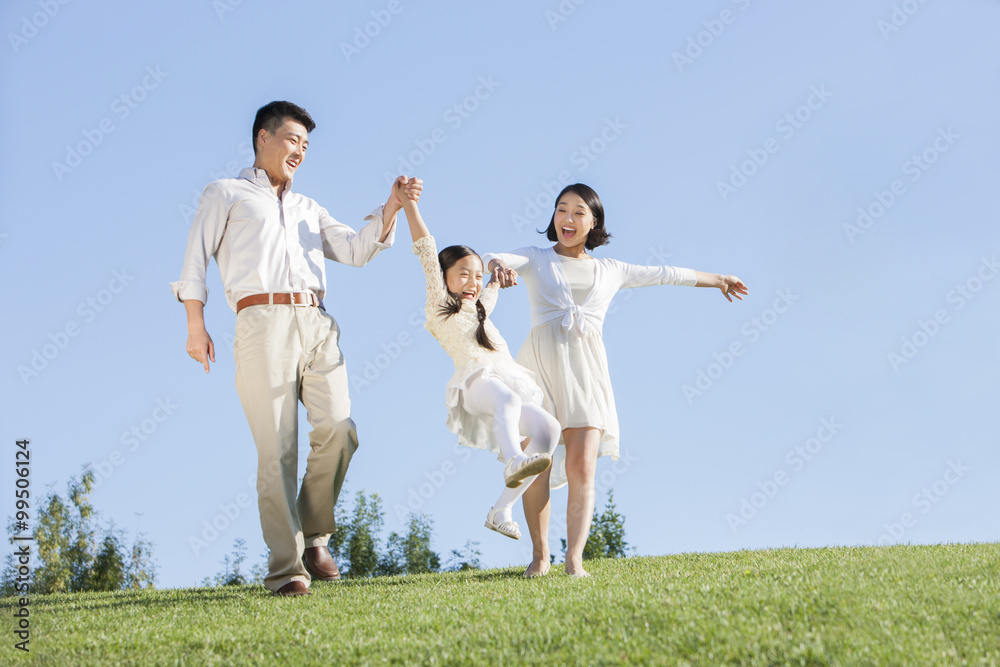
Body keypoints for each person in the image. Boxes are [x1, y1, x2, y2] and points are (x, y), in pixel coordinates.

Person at [170, 101, 421, 596]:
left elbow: (353, 249)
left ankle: (314, 535)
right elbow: (194, 260)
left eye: (306, 145)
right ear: (262, 138)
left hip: (317, 321)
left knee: (340, 430)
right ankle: (287, 570)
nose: (300, 151)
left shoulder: (309, 208)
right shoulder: (226, 193)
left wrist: (390, 207)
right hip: (261, 322)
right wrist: (194, 325)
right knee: (277, 449)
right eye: (291, 140)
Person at [482, 183, 749, 577]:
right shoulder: (536, 258)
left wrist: (717, 279)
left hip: (587, 372)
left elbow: (664, 273)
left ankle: (574, 559)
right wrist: (495, 267)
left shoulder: (611, 270)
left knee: (581, 466)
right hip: (538, 369)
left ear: (594, 222)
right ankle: (540, 558)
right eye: (561, 210)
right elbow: (492, 255)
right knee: (535, 463)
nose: (567, 219)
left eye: (577, 212)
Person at [398, 179, 561, 543]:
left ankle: (501, 510)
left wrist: (501, 274)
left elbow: (495, 282)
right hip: (473, 383)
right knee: (506, 400)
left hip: (501, 381)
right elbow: (426, 249)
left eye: (475, 275)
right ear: (444, 277)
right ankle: (513, 460)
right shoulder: (439, 303)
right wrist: (410, 205)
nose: (472, 282)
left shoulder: (481, 307)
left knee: (549, 430)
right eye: (463, 275)